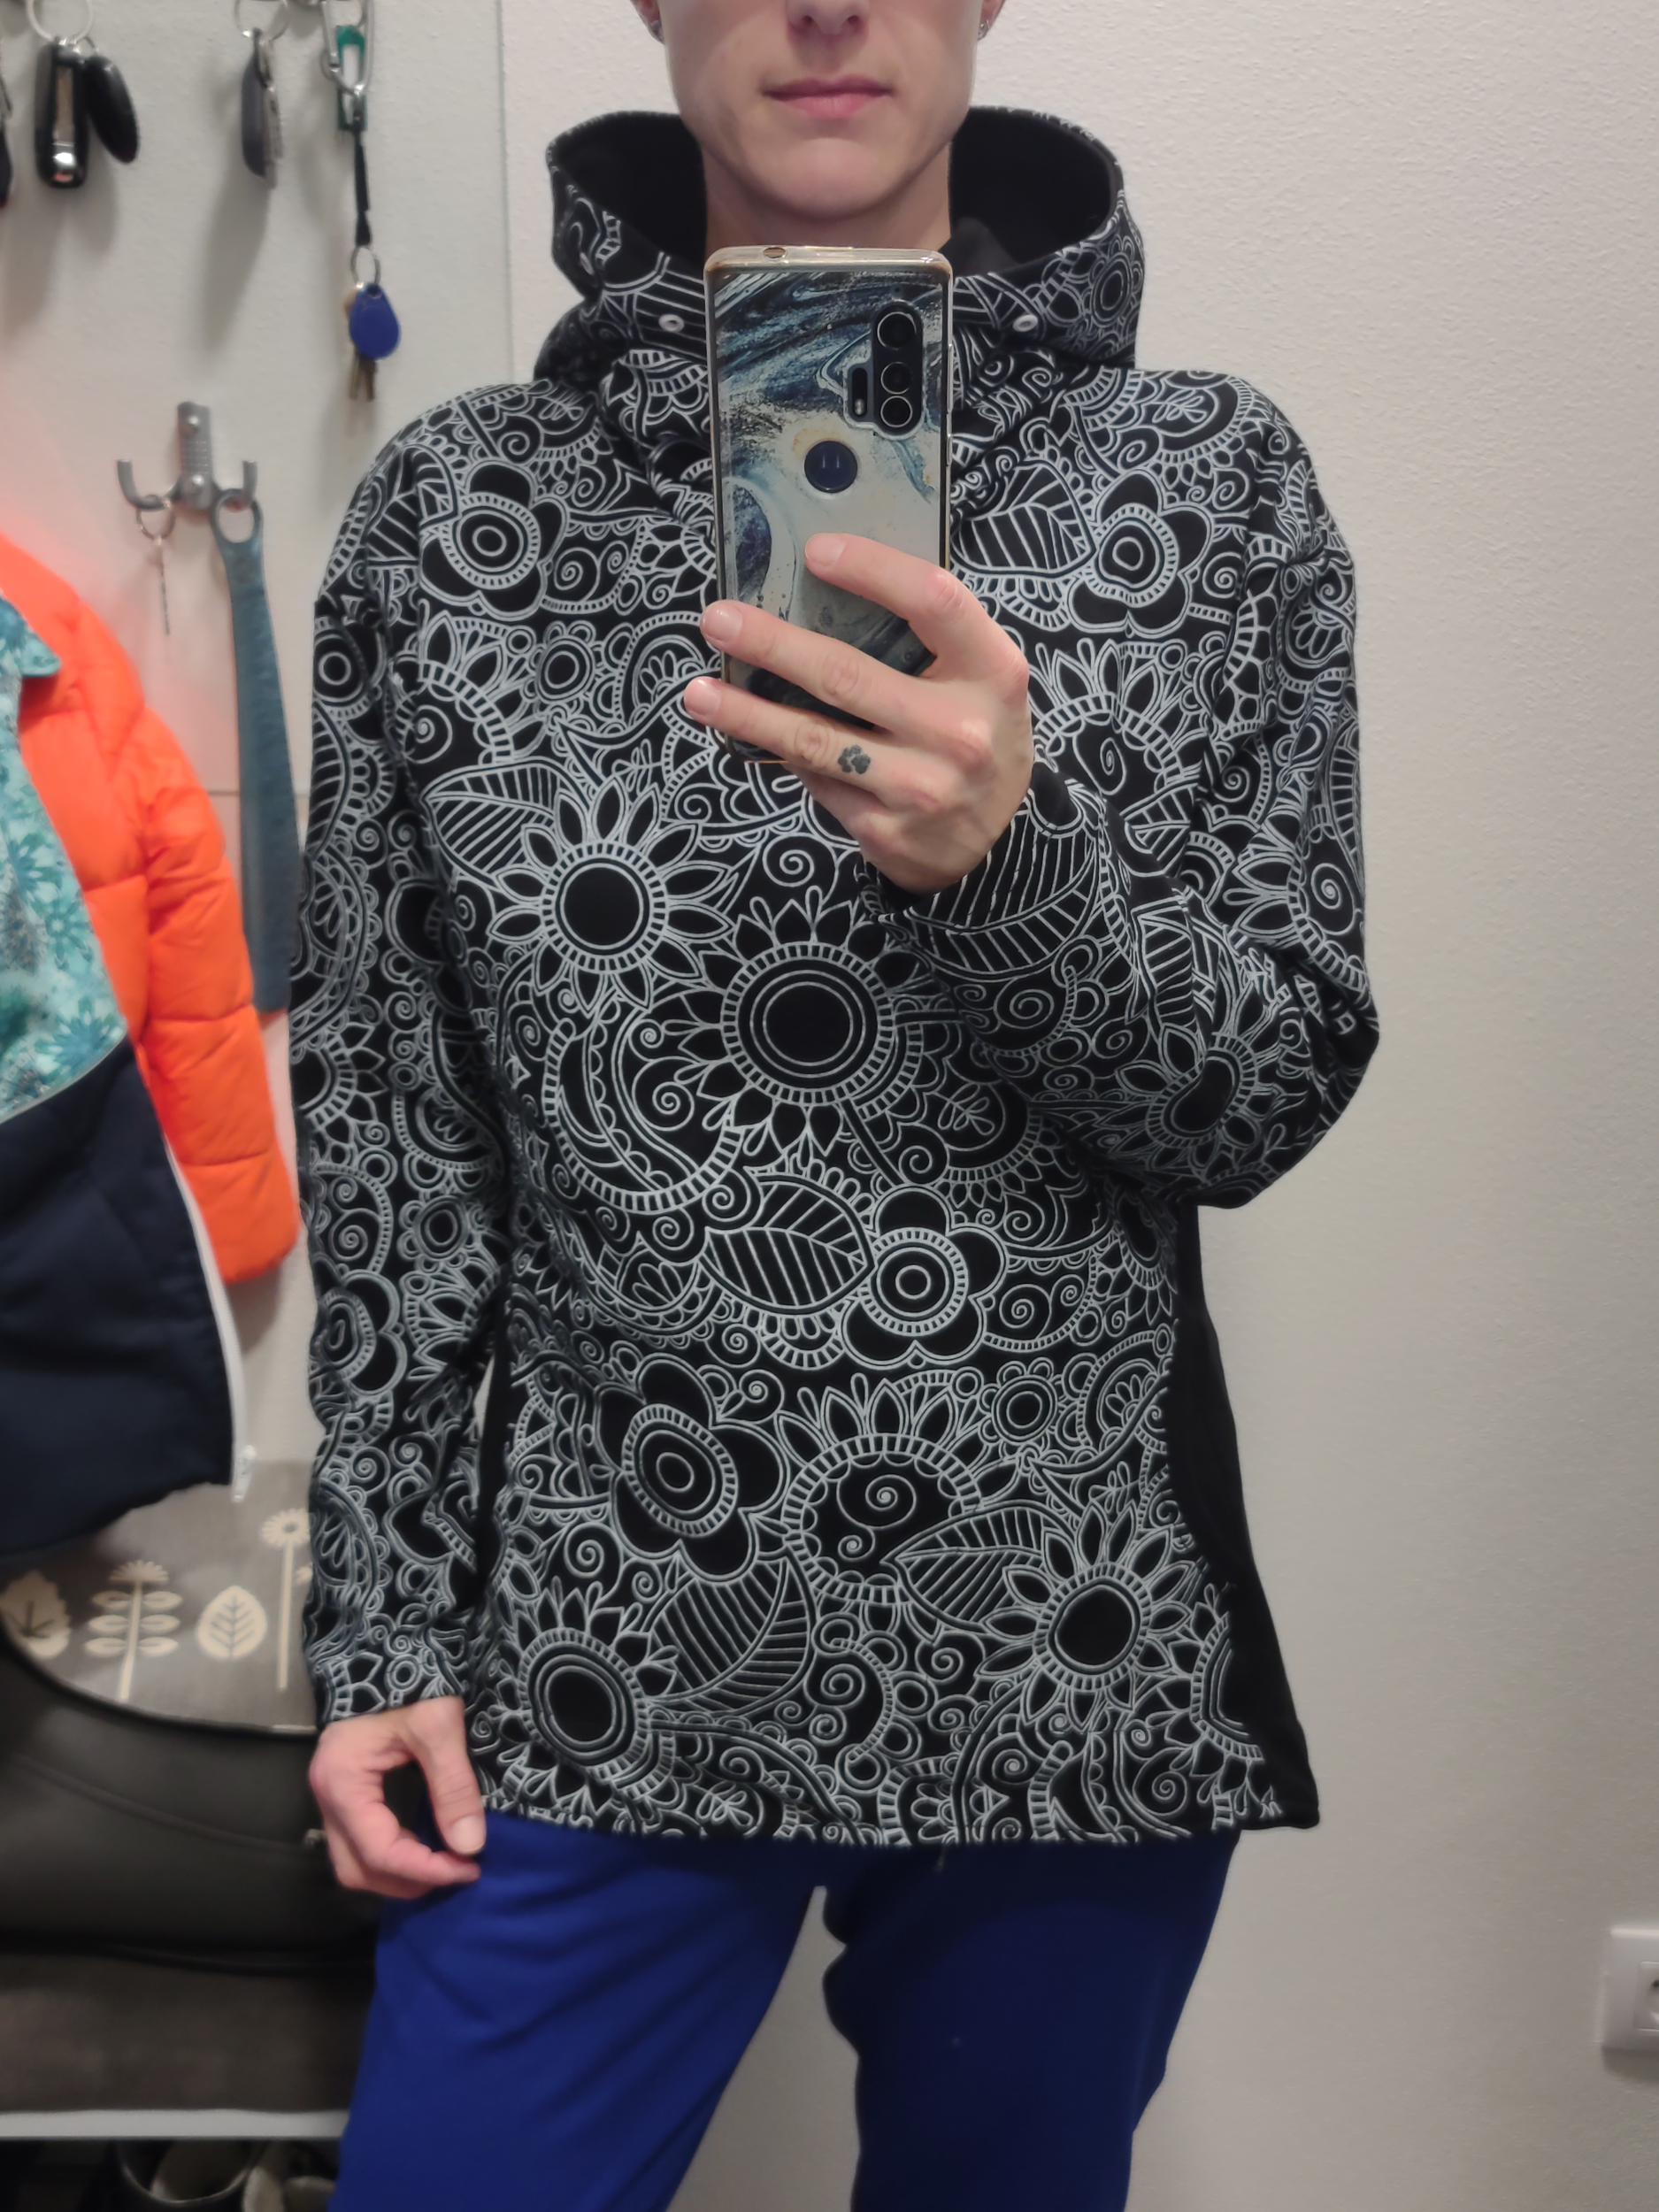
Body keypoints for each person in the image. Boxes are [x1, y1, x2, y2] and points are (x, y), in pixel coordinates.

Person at [293, 2, 1378, 2206]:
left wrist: (1015, 865)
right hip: (595, 1640)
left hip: (1062, 1634)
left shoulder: (1206, 482)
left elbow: (1258, 1091)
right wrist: (382, 1622)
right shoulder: (453, 517)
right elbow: (396, 1123)